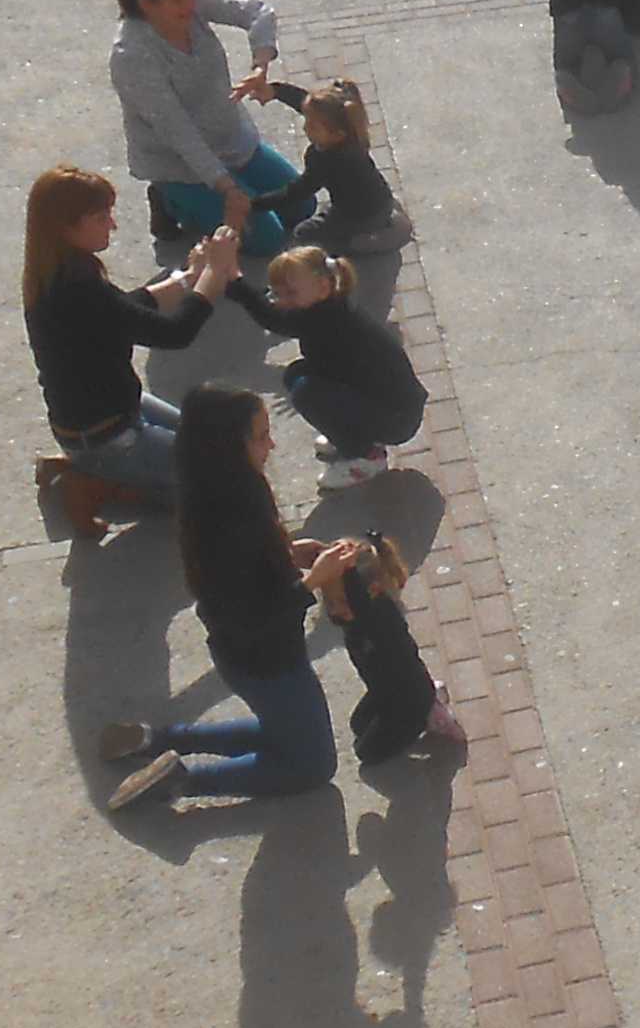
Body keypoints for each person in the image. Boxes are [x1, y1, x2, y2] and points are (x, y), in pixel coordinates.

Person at [99, 391, 348, 813]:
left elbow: (247, 572)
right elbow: (259, 612)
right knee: (312, 765)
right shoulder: (238, 514)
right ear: (229, 446)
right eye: (261, 436)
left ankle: (154, 740)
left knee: (283, 731)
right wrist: (313, 582)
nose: (272, 445)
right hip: (268, 660)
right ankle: (182, 780)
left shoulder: (213, 495)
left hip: (241, 654)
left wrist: (288, 554)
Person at [20, 161, 218, 529]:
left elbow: (125, 309)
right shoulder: (79, 287)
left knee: (217, 441)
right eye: (100, 218)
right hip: (108, 437)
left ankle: (92, 472)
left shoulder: (58, 272)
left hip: (114, 412)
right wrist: (213, 278)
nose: (112, 224)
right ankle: (96, 485)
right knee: (220, 482)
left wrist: (189, 279)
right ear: (66, 227)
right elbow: (175, 333)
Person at [111, 0, 297, 258]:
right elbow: (177, 132)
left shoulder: (192, 4)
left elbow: (258, 12)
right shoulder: (131, 56)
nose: (190, 5)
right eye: (178, 1)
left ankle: (224, 191)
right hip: (181, 163)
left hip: (229, 139)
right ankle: (170, 199)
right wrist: (227, 188)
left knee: (301, 206)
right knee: (268, 239)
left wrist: (260, 66)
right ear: (147, 5)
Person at [226, 243, 426, 484]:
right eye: (277, 293)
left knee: (307, 394)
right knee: (296, 374)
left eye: (290, 294)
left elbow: (272, 319)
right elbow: (271, 310)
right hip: (385, 402)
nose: (281, 301)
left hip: (396, 418)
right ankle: (350, 434)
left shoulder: (322, 319)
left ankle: (365, 457)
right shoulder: (330, 306)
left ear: (322, 288)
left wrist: (235, 282)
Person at [316, 535, 463, 765]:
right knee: (357, 725)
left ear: (373, 591)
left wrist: (350, 570)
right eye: (330, 601)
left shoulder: (381, 618)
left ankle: (429, 715)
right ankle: (431, 695)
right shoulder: (357, 614)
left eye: (342, 602)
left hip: (409, 702)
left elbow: (360, 606)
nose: (335, 610)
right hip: (386, 690)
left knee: (366, 753)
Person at [267, 75, 393, 244]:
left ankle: (358, 241)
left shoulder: (327, 162)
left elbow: (296, 192)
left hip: (362, 217)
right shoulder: (352, 135)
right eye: (307, 120)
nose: (305, 127)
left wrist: (255, 204)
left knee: (302, 233)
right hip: (381, 199)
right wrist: (275, 91)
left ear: (337, 135)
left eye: (313, 126)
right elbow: (305, 103)